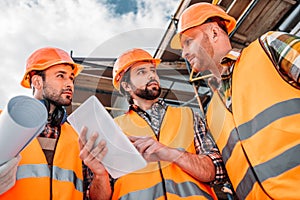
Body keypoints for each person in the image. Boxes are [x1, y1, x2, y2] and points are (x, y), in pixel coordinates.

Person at [171, 2, 300, 200]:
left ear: (214, 32)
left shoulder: (268, 47)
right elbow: (221, 173)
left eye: (188, 42)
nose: (184, 53)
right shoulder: (212, 111)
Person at [82, 48, 227, 200]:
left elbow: (217, 170)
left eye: (153, 70)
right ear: (126, 86)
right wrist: (100, 176)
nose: (151, 75)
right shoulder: (113, 130)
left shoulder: (189, 116)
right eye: (141, 72)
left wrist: (171, 153)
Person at [0, 47, 103, 199]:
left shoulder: (77, 136)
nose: (69, 84)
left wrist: (101, 176)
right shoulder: (3, 124)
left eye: (71, 78)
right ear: (37, 81)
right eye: (61, 76)